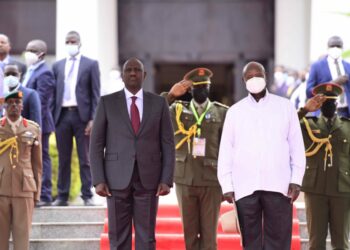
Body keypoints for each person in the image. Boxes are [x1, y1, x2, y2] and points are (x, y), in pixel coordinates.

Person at [217, 61, 306, 250]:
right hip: (245, 186)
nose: (254, 79)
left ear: (265, 77)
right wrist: (227, 185)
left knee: (279, 241)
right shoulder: (235, 111)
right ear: (243, 80)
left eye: (258, 75)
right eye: (249, 76)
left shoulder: (285, 107)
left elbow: (297, 146)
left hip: (279, 185)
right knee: (251, 243)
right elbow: (226, 150)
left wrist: (296, 179)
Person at [90, 57, 175, 250]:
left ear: (144, 75)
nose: (133, 73)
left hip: (149, 180)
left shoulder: (159, 103)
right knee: (118, 238)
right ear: (122, 75)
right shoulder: (107, 103)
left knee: (147, 238)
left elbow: (168, 144)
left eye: (137, 70)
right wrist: (98, 179)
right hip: (115, 180)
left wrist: (166, 179)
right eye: (129, 70)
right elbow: (96, 144)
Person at [163, 67, 228, 250]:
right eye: (197, 87)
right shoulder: (176, 110)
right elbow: (154, 113)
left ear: (210, 88)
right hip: (185, 178)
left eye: (205, 86)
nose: (202, 90)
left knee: (209, 237)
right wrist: (171, 95)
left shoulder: (222, 113)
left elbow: (228, 149)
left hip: (211, 180)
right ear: (190, 90)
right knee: (189, 235)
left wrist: (228, 182)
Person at [52, 31, 100, 206]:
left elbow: (96, 94)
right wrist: (52, 116)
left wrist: (93, 119)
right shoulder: (57, 66)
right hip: (62, 116)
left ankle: (87, 194)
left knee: (84, 158)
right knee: (64, 157)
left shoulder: (91, 64)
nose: (70, 44)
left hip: (82, 117)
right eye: (67, 41)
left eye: (73, 41)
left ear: (79, 44)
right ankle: (62, 196)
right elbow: (53, 94)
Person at [300, 82, 350, 250]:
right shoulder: (308, 125)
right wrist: (305, 109)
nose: (329, 106)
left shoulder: (347, 126)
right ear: (319, 105)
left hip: (342, 189)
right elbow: (285, 126)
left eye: (332, 102)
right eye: (325, 103)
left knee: (341, 243)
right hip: (316, 191)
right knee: (316, 243)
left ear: (337, 104)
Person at [0, 90, 42, 250]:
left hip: (24, 189)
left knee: (22, 238)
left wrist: (36, 193)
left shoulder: (33, 128)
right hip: (1, 188)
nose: (14, 106)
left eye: (17, 103)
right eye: (10, 103)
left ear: (22, 106)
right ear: (4, 106)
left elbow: (37, 164)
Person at [22, 39, 55, 207]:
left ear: (41, 54)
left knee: (41, 158)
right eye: (27, 49)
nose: (27, 53)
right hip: (27, 123)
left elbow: (41, 102)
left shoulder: (45, 73)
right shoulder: (30, 71)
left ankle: (45, 194)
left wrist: (33, 126)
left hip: (38, 123)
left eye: (32, 50)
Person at [307, 36, 350, 118]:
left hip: (345, 113)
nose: (335, 48)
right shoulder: (317, 66)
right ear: (327, 48)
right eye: (332, 46)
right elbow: (309, 91)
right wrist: (333, 83)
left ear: (342, 48)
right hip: (324, 113)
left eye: (338, 46)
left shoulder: (348, 66)